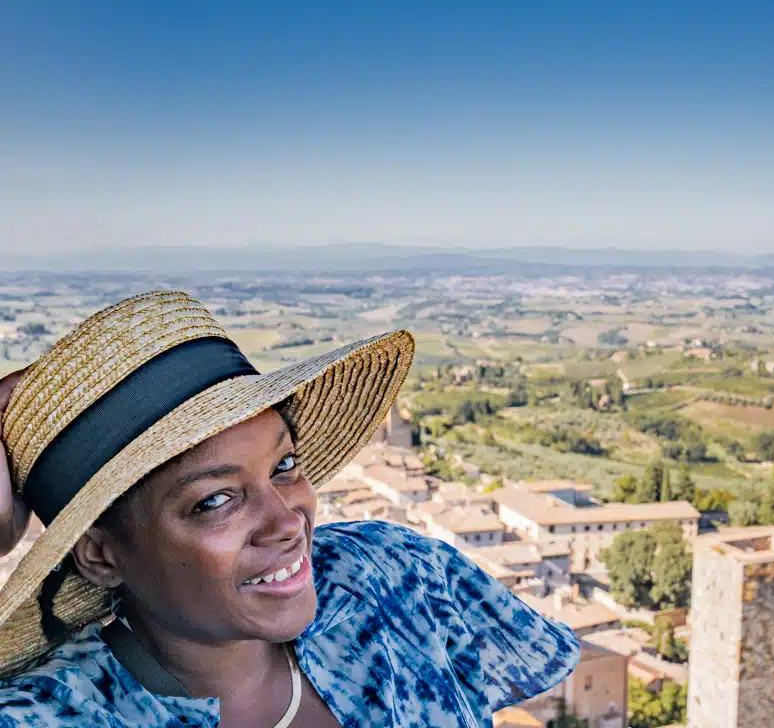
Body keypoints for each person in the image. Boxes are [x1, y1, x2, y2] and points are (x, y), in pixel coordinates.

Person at [0, 291, 579, 726]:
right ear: (100, 555)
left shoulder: (392, 575)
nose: (288, 521)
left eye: (283, 466)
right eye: (215, 500)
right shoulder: (52, 715)